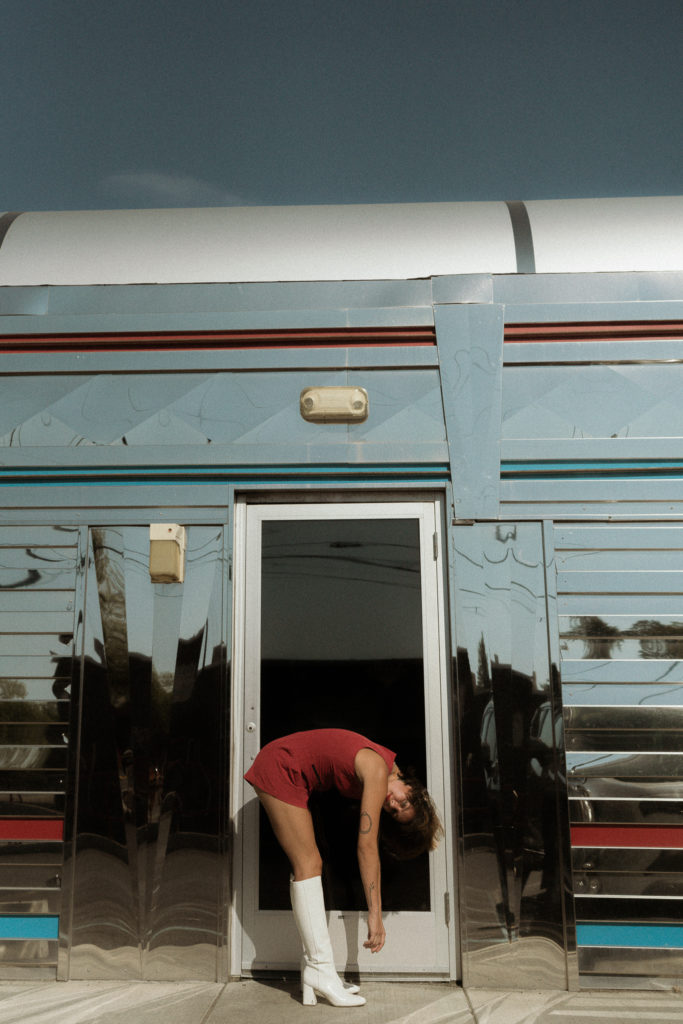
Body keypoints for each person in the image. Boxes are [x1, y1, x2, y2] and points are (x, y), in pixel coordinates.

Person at [244, 728, 443, 1008]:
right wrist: (375, 914)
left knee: (310, 863)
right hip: (280, 766)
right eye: (404, 801)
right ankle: (320, 970)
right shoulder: (378, 770)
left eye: (397, 813)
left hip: (289, 771)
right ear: (412, 786)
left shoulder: (383, 770)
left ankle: (315, 971)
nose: (394, 805)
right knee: (309, 864)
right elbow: (366, 846)